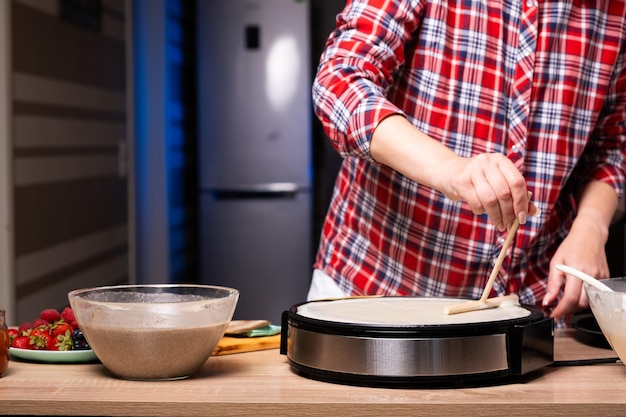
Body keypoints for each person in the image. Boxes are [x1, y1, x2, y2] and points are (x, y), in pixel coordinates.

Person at [307, 0, 626, 325]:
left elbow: (611, 145)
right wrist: (450, 169)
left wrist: (592, 225)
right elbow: (340, 82)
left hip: (533, 313)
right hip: (375, 292)